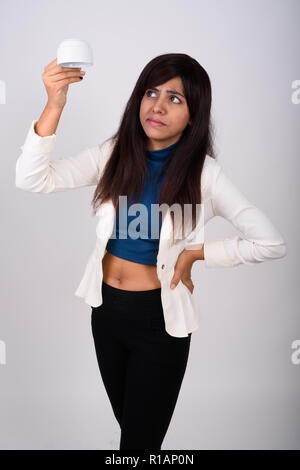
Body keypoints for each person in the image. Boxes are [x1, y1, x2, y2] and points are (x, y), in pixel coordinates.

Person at [15, 53, 287, 450]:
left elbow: (270, 242)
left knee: (138, 446)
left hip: (158, 324)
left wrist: (197, 253)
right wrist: (55, 103)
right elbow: (31, 178)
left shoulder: (204, 175)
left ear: (194, 115)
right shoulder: (115, 154)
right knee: (136, 439)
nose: (157, 106)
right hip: (105, 313)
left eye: (175, 98)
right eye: (150, 92)